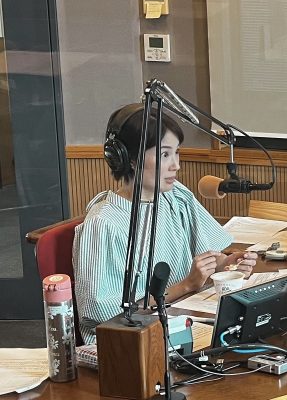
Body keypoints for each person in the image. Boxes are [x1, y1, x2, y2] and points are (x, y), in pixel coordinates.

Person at [73, 103, 257, 344]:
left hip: (182, 325)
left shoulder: (176, 196)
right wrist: (186, 285)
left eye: (176, 153)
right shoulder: (102, 224)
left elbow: (208, 257)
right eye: (164, 155)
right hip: (127, 346)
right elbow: (104, 315)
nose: (176, 165)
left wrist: (226, 265)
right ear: (130, 159)